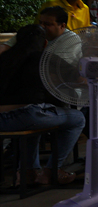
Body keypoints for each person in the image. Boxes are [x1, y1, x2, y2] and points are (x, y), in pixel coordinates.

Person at [0, 24, 84, 186]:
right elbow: (78, 77)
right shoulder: (43, 58)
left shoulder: (4, 57)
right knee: (78, 118)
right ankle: (52, 171)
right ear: (45, 43)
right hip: (26, 114)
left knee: (36, 125)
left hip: (2, 120)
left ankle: (26, 173)